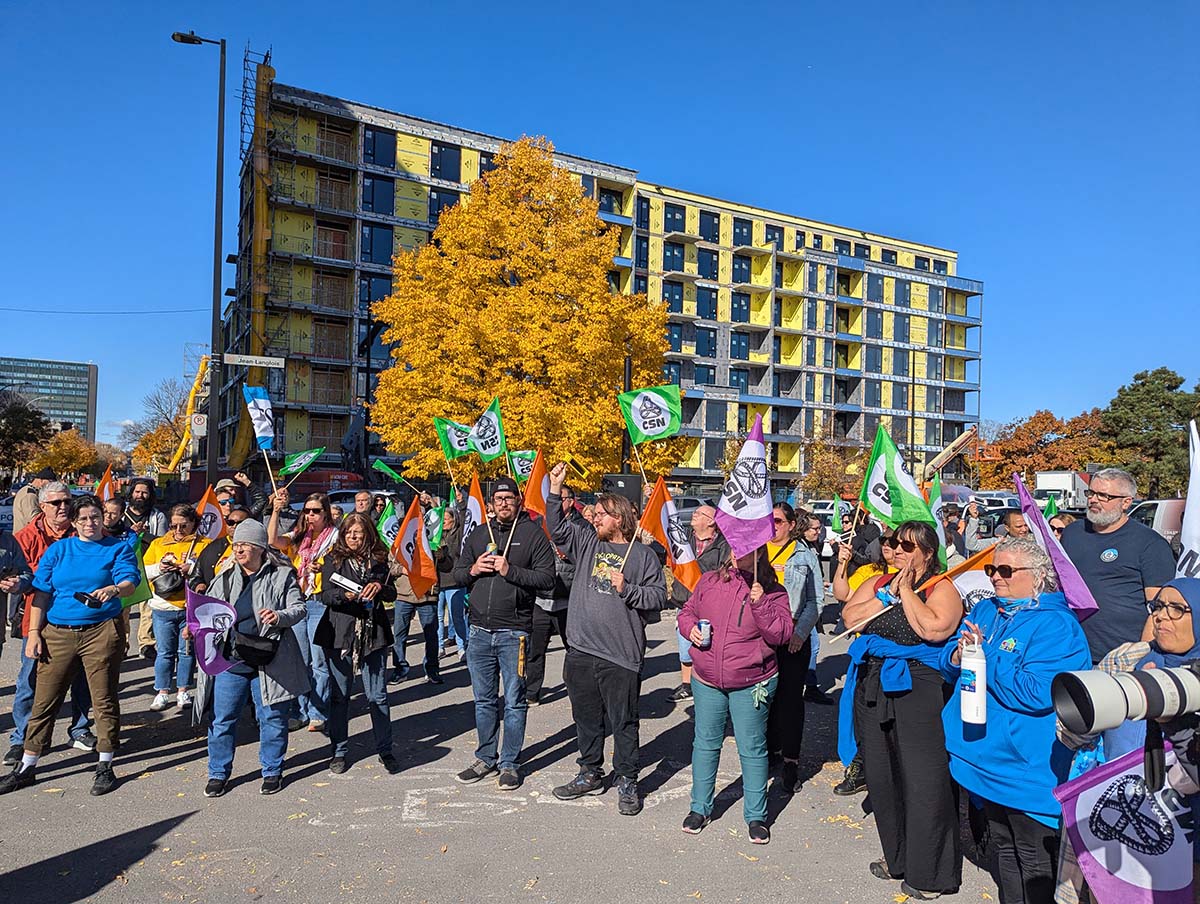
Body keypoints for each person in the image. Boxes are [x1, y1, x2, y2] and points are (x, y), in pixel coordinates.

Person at [940, 537, 1091, 904]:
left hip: (1026, 766)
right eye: (991, 569)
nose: (995, 578)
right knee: (1003, 849)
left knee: (1034, 858)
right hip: (982, 757)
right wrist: (959, 656)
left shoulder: (1057, 626)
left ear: (1039, 576)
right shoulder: (987, 610)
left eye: (1006, 570)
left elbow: (1037, 693)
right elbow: (948, 662)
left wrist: (984, 655)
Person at [1054, 578, 1200, 903]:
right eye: (1158, 606)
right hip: (1119, 813)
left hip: (1185, 834)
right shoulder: (1127, 657)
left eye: (1178, 609)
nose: (1162, 616)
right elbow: (1069, 732)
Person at [841, 521, 964, 900]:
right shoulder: (880, 583)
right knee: (882, 775)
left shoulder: (940, 587)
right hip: (875, 682)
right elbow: (849, 619)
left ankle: (929, 873)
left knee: (923, 778)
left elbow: (933, 630)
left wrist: (908, 591)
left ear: (928, 553)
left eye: (908, 547)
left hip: (919, 686)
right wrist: (885, 596)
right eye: (894, 544)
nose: (898, 552)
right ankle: (897, 857)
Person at [545, 465, 667, 815]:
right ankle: (590, 772)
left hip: (620, 655)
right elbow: (555, 528)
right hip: (581, 649)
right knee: (585, 718)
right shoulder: (586, 543)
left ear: (620, 518)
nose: (595, 517)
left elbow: (658, 597)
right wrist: (555, 489)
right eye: (594, 513)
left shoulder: (642, 556)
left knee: (624, 721)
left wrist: (628, 590)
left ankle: (628, 779)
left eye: (602, 514)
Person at [0, 495, 139, 796]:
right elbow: (40, 594)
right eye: (84, 519)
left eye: (96, 517)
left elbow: (130, 582)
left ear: (104, 518)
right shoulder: (59, 550)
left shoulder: (118, 548)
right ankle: (27, 765)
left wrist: (114, 588)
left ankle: (105, 763)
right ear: (74, 522)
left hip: (101, 631)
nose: (91, 523)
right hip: (58, 632)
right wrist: (34, 633)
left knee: (103, 699)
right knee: (44, 700)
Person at [677, 545, 793, 843]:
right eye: (732, 545)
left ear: (758, 554)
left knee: (752, 749)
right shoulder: (710, 581)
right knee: (705, 743)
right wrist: (690, 629)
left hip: (751, 681)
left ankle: (756, 816)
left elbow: (781, 634)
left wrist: (761, 604)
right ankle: (699, 808)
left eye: (742, 547)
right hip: (707, 679)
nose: (734, 551)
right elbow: (688, 611)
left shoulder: (773, 591)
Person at [451, 476, 555, 791]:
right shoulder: (479, 534)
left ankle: (509, 763)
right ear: (491, 504)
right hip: (480, 632)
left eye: (509, 498)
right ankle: (485, 757)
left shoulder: (533, 535)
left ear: (518, 500)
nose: (504, 504)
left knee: (513, 701)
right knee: (483, 700)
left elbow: (548, 578)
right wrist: (473, 570)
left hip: (515, 634)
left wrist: (511, 571)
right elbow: (456, 574)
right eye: (498, 500)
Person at [194, 520, 309, 797]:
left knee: (272, 718)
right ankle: (218, 773)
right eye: (236, 544)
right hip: (232, 660)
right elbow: (208, 611)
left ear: (259, 547)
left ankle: (271, 771)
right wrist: (194, 627)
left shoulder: (282, 575)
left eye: (245, 544)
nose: (239, 548)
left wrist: (279, 617)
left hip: (270, 658)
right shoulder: (224, 576)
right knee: (222, 719)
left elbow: (299, 607)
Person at [7, 482, 94, 766]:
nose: (63, 507)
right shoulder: (25, 536)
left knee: (81, 678)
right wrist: (18, 582)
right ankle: (22, 738)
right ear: (42, 506)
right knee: (30, 679)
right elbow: (22, 574)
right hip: (38, 617)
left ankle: (79, 729)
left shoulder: (84, 530)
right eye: (55, 503)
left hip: (79, 617)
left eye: (67, 501)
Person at [1060, 467, 1176, 663]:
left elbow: (1160, 607)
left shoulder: (1149, 543)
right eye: (1092, 493)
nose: (1094, 500)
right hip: (1071, 649)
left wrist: (1142, 654)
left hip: (1120, 657)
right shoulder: (1072, 533)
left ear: (1126, 502)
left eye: (1104, 496)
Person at [315, 513, 399, 774]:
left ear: (368, 534)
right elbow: (325, 596)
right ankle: (338, 751)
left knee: (378, 695)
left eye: (358, 532)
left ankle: (385, 749)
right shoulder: (333, 558)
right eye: (349, 532)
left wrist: (378, 587)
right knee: (340, 696)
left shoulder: (379, 558)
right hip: (340, 632)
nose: (353, 537)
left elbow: (392, 592)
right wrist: (345, 595)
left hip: (374, 634)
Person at [830, 527, 897, 796]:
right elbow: (842, 594)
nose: (892, 549)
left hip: (902, 662)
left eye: (898, 544)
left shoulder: (923, 580)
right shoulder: (870, 573)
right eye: (887, 543)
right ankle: (861, 765)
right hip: (868, 657)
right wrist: (842, 564)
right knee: (862, 714)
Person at [268, 488, 337, 733]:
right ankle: (299, 710)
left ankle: (318, 712)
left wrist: (326, 570)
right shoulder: (299, 535)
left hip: (320, 600)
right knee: (299, 659)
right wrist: (275, 511)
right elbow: (273, 541)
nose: (310, 515)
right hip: (298, 600)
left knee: (318, 660)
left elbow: (341, 567)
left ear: (326, 513)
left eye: (315, 511)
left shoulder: (335, 537)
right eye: (306, 511)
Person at [768, 510, 823, 793]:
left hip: (791, 638)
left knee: (790, 703)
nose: (772, 525)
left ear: (791, 525)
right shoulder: (754, 550)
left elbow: (816, 600)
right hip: (760, 640)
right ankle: (769, 753)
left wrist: (800, 634)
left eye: (778, 521)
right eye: (769, 519)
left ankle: (790, 761)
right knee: (763, 701)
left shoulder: (804, 554)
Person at [143, 504, 210, 712]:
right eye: (174, 526)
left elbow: (212, 570)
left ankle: (183, 690)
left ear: (194, 524)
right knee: (164, 652)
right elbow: (144, 571)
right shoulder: (158, 544)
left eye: (184, 526)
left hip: (191, 606)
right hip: (163, 606)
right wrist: (161, 567)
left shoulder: (205, 545)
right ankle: (162, 692)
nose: (178, 531)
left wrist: (191, 568)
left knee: (186, 652)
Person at [527, 485, 584, 704]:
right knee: (535, 649)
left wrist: (570, 554)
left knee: (574, 650)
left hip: (569, 600)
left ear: (570, 501)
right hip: (541, 599)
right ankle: (531, 693)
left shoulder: (582, 527)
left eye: (560, 499)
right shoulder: (539, 524)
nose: (555, 504)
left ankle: (576, 691)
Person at [668, 505, 729, 701]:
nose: (693, 514)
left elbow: (724, 572)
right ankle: (687, 686)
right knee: (685, 645)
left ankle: (709, 683)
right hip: (685, 600)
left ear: (711, 521)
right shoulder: (683, 538)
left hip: (710, 603)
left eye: (699, 513)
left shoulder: (723, 544)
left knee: (709, 645)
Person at [127, 477, 167, 660]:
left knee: (147, 607)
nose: (140, 495)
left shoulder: (157, 516)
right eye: (137, 492)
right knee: (123, 608)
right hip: (125, 566)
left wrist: (144, 533)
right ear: (131, 493)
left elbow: (162, 541)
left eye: (144, 492)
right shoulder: (121, 514)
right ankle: (122, 644)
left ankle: (146, 643)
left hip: (147, 566)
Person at [390, 556, 443, 686]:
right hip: (404, 595)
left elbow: (448, 567)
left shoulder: (434, 540)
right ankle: (400, 670)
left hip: (427, 595)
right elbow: (389, 567)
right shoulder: (400, 540)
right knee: (399, 635)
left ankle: (432, 670)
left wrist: (443, 557)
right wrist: (402, 569)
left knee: (431, 636)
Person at [433, 506, 468, 661]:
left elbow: (465, 514)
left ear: (454, 520)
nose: (444, 522)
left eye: (446, 519)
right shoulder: (436, 535)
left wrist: (461, 502)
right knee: (438, 617)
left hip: (455, 581)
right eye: (442, 519)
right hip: (438, 582)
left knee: (457, 616)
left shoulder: (459, 535)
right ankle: (439, 647)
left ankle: (462, 647)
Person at [191, 504, 251, 592]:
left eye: (239, 523)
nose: (234, 526)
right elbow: (196, 575)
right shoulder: (212, 547)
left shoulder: (256, 548)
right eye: (230, 522)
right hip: (214, 599)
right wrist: (198, 585)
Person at [12, 467, 56, 533]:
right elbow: (34, 519)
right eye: (50, 482)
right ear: (41, 480)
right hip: (25, 538)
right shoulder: (29, 495)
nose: (51, 485)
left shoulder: (30, 492)